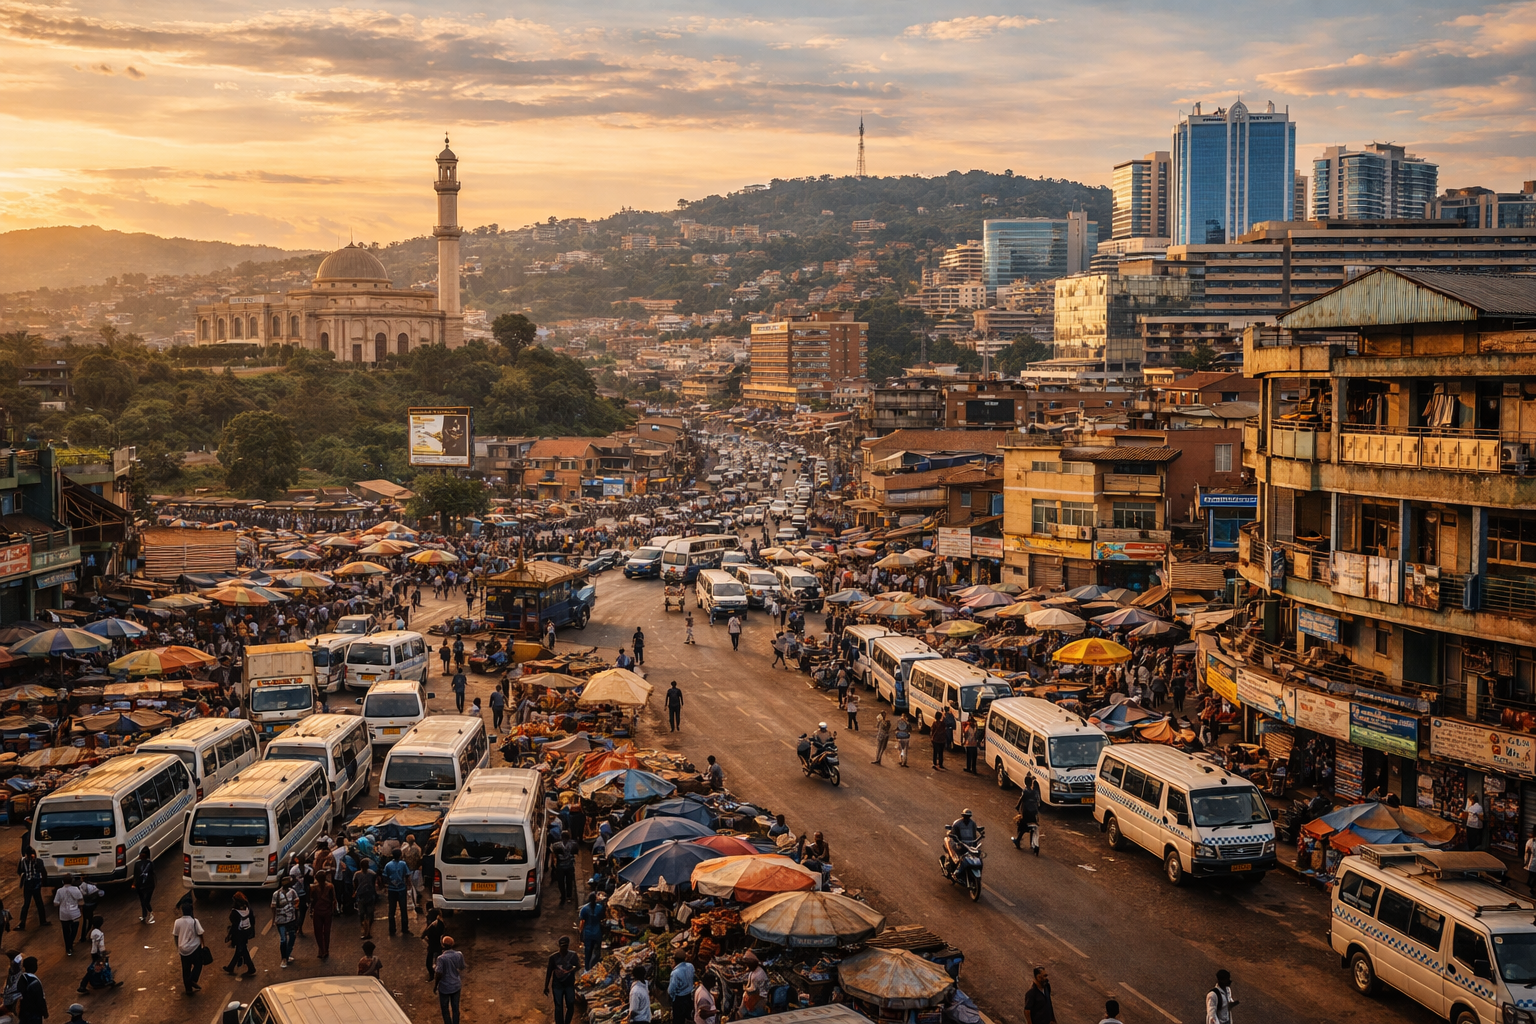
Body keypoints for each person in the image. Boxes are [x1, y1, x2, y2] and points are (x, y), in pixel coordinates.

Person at [546, 936, 581, 1024]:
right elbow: (549, 972)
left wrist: (570, 970)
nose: (564, 948)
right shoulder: (553, 957)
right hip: (557, 985)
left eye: (565, 946)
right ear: (559, 946)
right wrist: (546, 986)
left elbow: (578, 966)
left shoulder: (573, 955)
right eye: (562, 946)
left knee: (570, 1004)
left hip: (569, 984)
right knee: (558, 1006)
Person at [172, 903, 206, 996]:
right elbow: (200, 933)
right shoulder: (195, 921)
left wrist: (178, 947)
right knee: (198, 964)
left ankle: (188, 989)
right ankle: (192, 980)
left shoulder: (177, 922)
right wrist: (203, 944)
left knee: (185, 969)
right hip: (194, 947)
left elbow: (175, 935)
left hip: (182, 949)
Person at [434, 936, 466, 1024]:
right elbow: (462, 967)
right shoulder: (459, 954)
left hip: (444, 987)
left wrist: (435, 986)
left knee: (445, 1009)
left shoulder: (441, 958)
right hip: (456, 985)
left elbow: (438, 973)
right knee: (455, 1008)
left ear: (442, 945)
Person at [271, 875, 300, 967]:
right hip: (281, 920)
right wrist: (274, 920)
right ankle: (284, 958)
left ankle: (286, 955)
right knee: (283, 940)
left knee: (292, 937)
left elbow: (296, 903)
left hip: (291, 919)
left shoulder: (292, 892)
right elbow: (273, 907)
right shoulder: (276, 894)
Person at [224, 893, 256, 977]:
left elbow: (234, 925)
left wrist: (229, 935)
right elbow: (252, 920)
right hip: (246, 931)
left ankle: (251, 968)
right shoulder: (247, 908)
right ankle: (233, 967)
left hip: (239, 933)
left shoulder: (235, 912)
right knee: (242, 949)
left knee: (240, 950)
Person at [383, 850, 412, 937]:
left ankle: (392, 930)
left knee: (392, 910)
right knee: (403, 909)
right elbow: (407, 875)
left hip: (391, 890)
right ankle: (405, 929)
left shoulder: (388, 865)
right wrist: (408, 884)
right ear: (400, 855)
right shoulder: (403, 864)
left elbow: (385, 877)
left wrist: (386, 886)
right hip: (401, 889)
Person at [54, 875, 85, 955]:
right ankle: (70, 944)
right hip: (74, 913)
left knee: (65, 931)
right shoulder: (75, 889)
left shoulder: (59, 891)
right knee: (74, 930)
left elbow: (56, 903)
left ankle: (68, 948)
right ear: (72, 881)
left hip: (63, 914)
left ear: (63, 882)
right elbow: (80, 900)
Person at [16, 851, 47, 930]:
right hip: (28, 884)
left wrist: (42, 883)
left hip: (36, 884)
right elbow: (19, 871)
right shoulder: (23, 861)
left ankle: (42, 921)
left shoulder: (38, 861)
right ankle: (22, 923)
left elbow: (43, 871)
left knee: (38, 902)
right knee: (27, 904)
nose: (30, 858)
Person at [309, 873, 336, 960]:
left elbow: (311, 900)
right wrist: (333, 910)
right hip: (327, 911)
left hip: (317, 911)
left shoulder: (313, 888)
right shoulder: (330, 886)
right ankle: (325, 949)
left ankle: (321, 949)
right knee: (326, 932)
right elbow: (333, 899)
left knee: (318, 932)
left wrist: (311, 911)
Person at [1014, 775, 1041, 852]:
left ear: (1025, 783)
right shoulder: (1035, 792)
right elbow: (1038, 803)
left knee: (1022, 826)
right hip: (1034, 814)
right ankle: (1032, 844)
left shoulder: (1025, 791)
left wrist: (1017, 807)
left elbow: (1021, 800)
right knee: (1034, 827)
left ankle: (1018, 840)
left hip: (1026, 813)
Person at [354, 857, 379, 939]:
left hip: (361, 895)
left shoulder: (357, 874)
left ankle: (365, 930)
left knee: (362, 913)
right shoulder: (372, 874)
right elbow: (374, 884)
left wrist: (355, 891)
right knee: (369, 913)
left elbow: (355, 884)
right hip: (369, 895)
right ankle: (367, 931)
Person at [579, 893, 605, 969]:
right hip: (597, 932)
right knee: (597, 952)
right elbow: (602, 918)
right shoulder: (599, 907)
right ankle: (595, 967)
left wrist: (581, 933)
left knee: (588, 952)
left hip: (588, 933)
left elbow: (582, 922)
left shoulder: (584, 909)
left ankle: (587, 968)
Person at [740, 952, 770, 1017]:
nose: (746, 966)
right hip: (750, 997)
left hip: (757, 1002)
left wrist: (752, 1003)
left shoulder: (759, 975)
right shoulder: (754, 970)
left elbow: (763, 994)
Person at [131, 846, 156, 925]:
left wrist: (134, 884)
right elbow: (136, 875)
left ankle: (151, 913)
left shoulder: (141, 863)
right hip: (145, 885)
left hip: (144, 885)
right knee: (143, 901)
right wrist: (134, 884)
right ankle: (144, 915)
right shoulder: (149, 863)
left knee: (145, 901)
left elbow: (136, 875)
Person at [16, 957, 44, 1024]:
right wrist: (44, 1011)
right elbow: (40, 998)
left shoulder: (21, 978)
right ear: (34, 967)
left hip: (23, 1012)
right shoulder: (34, 981)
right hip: (34, 1013)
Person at [668, 957, 695, 1024]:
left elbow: (671, 990)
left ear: (675, 961)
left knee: (678, 1020)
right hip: (689, 997)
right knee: (688, 1017)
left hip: (679, 1000)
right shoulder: (690, 966)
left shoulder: (675, 973)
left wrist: (673, 998)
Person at [553, 834, 578, 906]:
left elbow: (553, 853)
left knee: (561, 883)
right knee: (569, 882)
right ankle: (568, 896)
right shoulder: (573, 844)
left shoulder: (556, 845)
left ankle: (563, 896)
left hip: (561, 867)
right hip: (569, 866)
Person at [423, 907, 446, 982]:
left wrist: (427, 940)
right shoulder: (440, 923)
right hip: (437, 945)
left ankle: (432, 975)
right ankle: (438, 975)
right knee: (438, 961)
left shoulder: (432, 924)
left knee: (429, 962)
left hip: (432, 945)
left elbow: (424, 934)